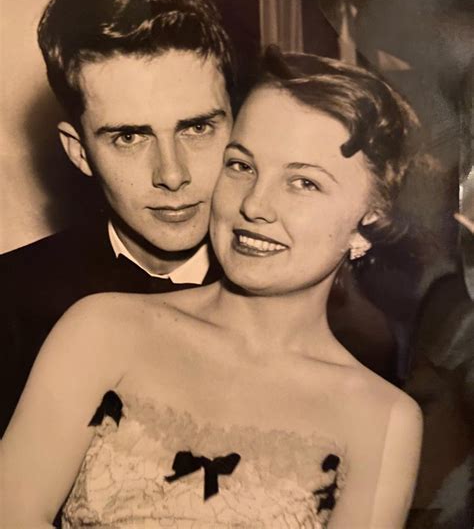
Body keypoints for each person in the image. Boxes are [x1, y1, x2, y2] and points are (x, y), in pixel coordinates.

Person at [2, 47, 423, 528]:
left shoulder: (383, 419)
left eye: (303, 183)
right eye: (241, 166)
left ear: (370, 220)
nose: (254, 206)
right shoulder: (102, 330)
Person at [0, 0, 235, 436]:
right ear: (79, 151)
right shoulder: (9, 305)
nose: (172, 174)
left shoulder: (313, 307)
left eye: (196, 128)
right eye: (129, 137)